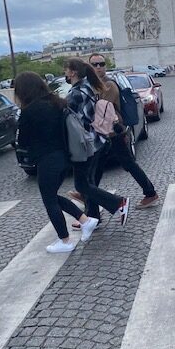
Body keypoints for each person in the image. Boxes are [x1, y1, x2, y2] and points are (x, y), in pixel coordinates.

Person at [14, 72, 99, 253]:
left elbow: (22, 142)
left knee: (49, 200)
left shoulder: (29, 111)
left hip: (47, 160)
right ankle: (86, 220)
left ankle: (65, 240)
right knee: (52, 196)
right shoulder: (57, 103)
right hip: (65, 157)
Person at [69, 54, 158, 225]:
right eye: (95, 64)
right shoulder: (92, 86)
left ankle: (150, 192)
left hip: (113, 134)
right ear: (88, 67)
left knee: (127, 165)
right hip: (102, 136)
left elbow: (98, 110)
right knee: (95, 173)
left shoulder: (107, 85)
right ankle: (91, 208)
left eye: (102, 64)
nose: (99, 67)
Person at [63, 58, 130, 225]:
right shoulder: (87, 87)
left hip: (84, 145)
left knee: (82, 185)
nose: (65, 72)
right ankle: (93, 217)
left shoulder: (75, 94)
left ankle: (118, 202)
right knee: (89, 182)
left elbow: (68, 119)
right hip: (97, 141)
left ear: (73, 72)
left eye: (66, 69)